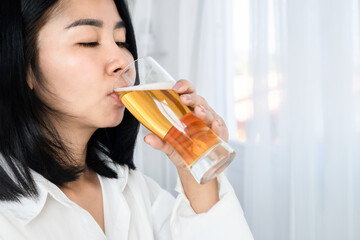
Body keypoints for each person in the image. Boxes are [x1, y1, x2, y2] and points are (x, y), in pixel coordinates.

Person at [0, 0, 254, 239]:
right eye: (88, 41)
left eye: (121, 41)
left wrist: (194, 171)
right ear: (24, 66)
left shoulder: (134, 189)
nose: (123, 60)